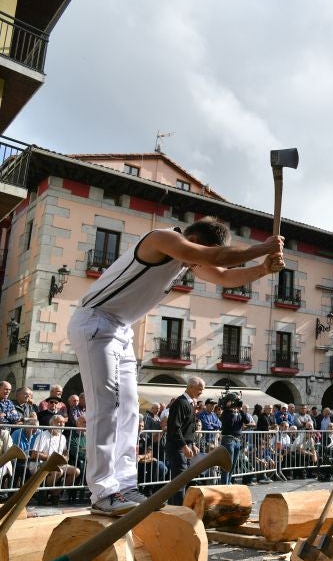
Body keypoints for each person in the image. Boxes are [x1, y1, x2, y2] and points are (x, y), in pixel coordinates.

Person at [68, 216, 283, 516]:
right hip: (96, 320)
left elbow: (222, 275)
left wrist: (261, 269)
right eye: (200, 251)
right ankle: (103, 491)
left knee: (129, 409)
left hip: (120, 328)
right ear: (194, 241)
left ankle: (125, 486)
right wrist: (263, 248)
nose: (198, 260)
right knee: (107, 407)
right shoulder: (162, 239)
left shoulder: (185, 259)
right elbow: (215, 257)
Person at [165, 377, 205, 505]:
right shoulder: (181, 403)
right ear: (190, 387)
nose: (201, 392)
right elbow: (174, 428)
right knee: (180, 481)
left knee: (180, 481)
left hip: (182, 446)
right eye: (199, 389)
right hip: (177, 448)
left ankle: (173, 508)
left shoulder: (188, 403)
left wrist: (191, 444)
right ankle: (178, 510)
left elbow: (187, 427)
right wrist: (184, 446)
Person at [219, 393, 252, 485]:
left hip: (237, 440)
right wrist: (230, 410)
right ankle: (224, 485)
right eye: (235, 400)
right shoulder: (226, 413)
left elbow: (247, 421)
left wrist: (240, 410)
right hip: (228, 440)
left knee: (233, 465)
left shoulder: (238, 412)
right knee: (227, 465)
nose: (236, 403)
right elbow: (230, 424)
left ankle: (228, 482)